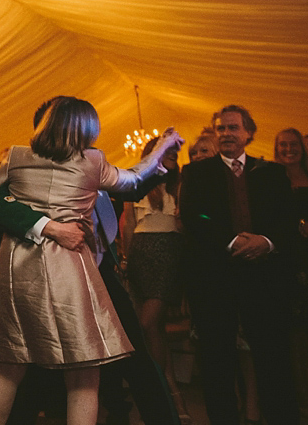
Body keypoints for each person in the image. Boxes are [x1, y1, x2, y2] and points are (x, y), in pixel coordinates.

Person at [0, 96, 183, 425]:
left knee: (5, 365)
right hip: (67, 266)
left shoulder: (15, 156)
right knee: (83, 373)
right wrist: (162, 147)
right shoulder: (92, 160)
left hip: (16, 268)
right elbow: (133, 179)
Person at [179, 105, 300, 425]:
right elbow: (194, 217)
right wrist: (232, 242)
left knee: (272, 354)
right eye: (220, 129)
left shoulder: (272, 172)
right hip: (216, 276)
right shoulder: (196, 173)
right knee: (218, 358)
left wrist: (266, 242)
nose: (226, 134)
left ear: (248, 134)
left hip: (264, 276)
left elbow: (288, 221)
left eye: (233, 128)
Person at [123, 137, 190, 423]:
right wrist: (126, 261)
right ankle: (170, 396)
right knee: (154, 330)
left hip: (169, 255)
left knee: (149, 323)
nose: (172, 155)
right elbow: (127, 224)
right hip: (140, 255)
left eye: (175, 151)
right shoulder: (136, 185)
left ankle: (161, 391)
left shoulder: (183, 183)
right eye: (166, 151)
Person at [273, 127, 308, 416]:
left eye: (293, 144)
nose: (288, 149)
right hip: (289, 261)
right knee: (297, 334)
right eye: (282, 144)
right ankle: (303, 399)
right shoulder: (270, 178)